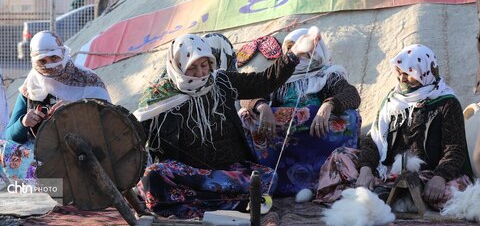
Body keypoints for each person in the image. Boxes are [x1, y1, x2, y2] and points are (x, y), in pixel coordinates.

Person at [133, 32, 317, 219]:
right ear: (178, 67)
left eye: (204, 65)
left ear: (211, 63)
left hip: (229, 171)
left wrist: (294, 54)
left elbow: (264, 82)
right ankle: (227, 203)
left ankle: (193, 205)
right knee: (153, 175)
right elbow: (134, 136)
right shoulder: (159, 99)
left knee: (267, 178)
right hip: (187, 176)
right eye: (192, 68)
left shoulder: (222, 82)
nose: (200, 73)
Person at [315, 44, 472, 211]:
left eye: (408, 74)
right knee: (340, 156)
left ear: (424, 72)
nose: (402, 79)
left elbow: (454, 148)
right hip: (385, 171)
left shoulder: (447, 103)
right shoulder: (393, 100)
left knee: (454, 194)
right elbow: (373, 140)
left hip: (428, 174)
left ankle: (382, 195)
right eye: (399, 73)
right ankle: (386, 192)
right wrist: (366, 169)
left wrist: (440, 177)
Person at [239, 28, 361, 195]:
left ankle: (326, 179)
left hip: (316, 135)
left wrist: (328, 105)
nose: (294, 53)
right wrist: (263, 107)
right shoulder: (279, 75)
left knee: (349, 117)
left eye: (301, 48)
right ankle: (272, 179)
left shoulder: (327, 74)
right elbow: (248, 95)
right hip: (284, 139)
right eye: (289, 48)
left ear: (314, 50)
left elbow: (351, 95)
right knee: (246, 115)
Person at [2, 31, 110, 179]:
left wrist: (76, 109)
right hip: (44, 158)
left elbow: (111, 121)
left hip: (85, 153)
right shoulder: (31, 86)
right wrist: (23, 123)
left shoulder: (88, 81)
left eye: (54, 57)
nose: (49, 65)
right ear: (34, 61)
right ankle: (53, 197)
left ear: (63, 53)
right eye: (42, 61)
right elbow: (8, 137)